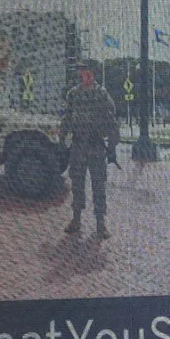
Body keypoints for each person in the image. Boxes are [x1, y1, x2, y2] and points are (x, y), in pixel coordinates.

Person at [59, 66, 118, 239]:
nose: (85, 75)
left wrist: (112, 146)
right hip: (78, 146)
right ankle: (76, 220)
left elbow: (111, 120)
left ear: (93, 74)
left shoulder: (102, 94)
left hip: (96, 146)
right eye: (83, 73)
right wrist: (62, 139)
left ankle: (101, 223)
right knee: (77, 184)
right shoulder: (73, 94)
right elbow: (67, 118)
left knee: (99, 185)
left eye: (88, 72)